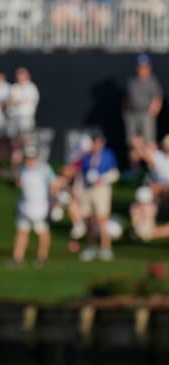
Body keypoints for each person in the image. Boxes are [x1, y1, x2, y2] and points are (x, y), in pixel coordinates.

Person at [8, 146, 56, 268]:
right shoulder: (22, 170)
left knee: (42, 231)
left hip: (40, 206)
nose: (29, 161)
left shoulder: (44, 169)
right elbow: (18, 184)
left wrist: (53, 202)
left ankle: (42, 257)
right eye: (27, 158)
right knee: (22, 231)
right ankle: (17, 257)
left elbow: (54, 184)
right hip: (25, 205)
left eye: (31, 158)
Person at [78, 131, 119, 262]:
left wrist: (103, 179)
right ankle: (91, 247)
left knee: (102, 219)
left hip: (101, 189)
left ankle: (106, 248)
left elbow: (114, 173)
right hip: (87, 189)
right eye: (94, 142)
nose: (96, 145)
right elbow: (81, 173)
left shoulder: (108, 154)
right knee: (89, 220)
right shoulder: (86, 156)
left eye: (98, 142)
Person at [123, 53, 164, 178]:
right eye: (140, 66)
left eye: (145, 66)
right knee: (133, 143)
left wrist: (152, 113)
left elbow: (158, 99)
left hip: (146, 115)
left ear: (149, 67)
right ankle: (134, 171)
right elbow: (126, 100)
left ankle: (152, 170)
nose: (143, 68)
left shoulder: (153, 81)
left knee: (149, 143)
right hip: (132, 115)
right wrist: (126, 113)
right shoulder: (131, 82)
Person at [6, 66, 40, 174]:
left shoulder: (32, 88)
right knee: (16, 145)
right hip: (14, 119)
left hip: (26, 119)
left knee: (28, 144)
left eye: (22, 75)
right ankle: (15, 171)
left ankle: (30, 168)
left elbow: (27, 102)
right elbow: (9, 103)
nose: (20, 78)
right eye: (18, 75)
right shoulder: (13, 88)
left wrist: (16, 102)